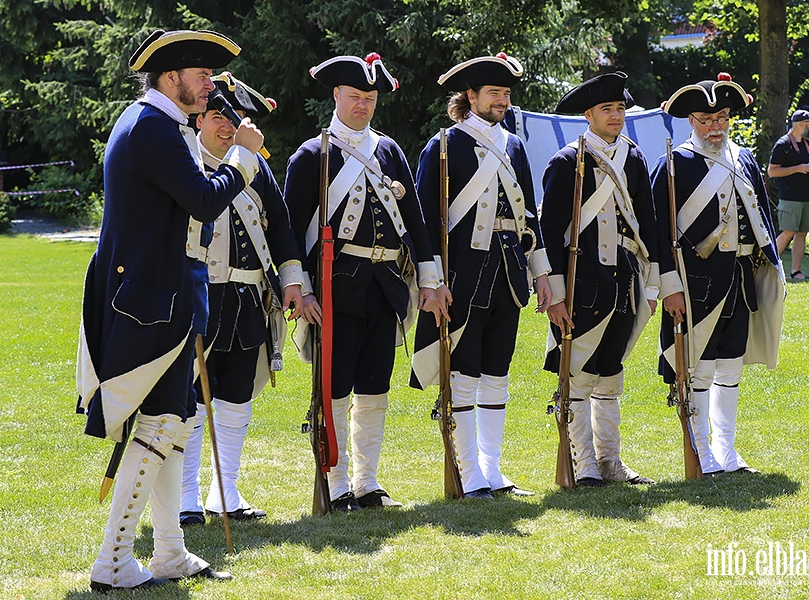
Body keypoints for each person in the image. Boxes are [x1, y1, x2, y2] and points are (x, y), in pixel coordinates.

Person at [76, 29, 265, 591]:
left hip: (166, 295)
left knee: (173, 424)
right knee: (159, 425)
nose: (211, 85)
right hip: (152, 301)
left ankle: (169, 553)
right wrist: (244, 158)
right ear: (169, 79)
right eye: (202, 75)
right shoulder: (152, 128)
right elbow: (205, 200)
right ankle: (113, 561)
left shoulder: (157, 124)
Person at [284, 53, 444, 511]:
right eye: (354, 97)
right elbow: (293, 232)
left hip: (385, 286)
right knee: (333, 389)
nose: (362, 106)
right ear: (336, 95)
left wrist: (429, 281)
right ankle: (334, 484)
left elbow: (414, 222)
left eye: (370, 98)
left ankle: (367, 482)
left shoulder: (389, 151)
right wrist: (302, 288)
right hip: (334, 290)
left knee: (375, 388)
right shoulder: (312, 154)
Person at [410, 53, 553, 499]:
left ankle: (491, 468)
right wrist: (432, 280)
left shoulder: (513, 146)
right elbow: (425, 220)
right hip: (464, 275)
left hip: (509, 271)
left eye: (506, 94)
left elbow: (530, 212)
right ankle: (467, 471)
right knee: (464, 371)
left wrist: (543, 273)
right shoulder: (444, 145)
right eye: (493, 93)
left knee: (497, 371)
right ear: (469, 97)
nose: (502, 102)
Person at [179, 72, 309, 526]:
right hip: (201, 298)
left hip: (250, 298)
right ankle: (186, 496)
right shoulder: (186, 162)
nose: (227, 128)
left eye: (237, 120)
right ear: (200, 120)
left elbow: (281, 227)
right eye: (218, 117)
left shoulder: (258, 166)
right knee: (192, 400)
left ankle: (225, 492)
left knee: (237, 398)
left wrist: (293, 282)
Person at [650, 73, 785, 476]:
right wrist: (669, 286)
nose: (715, 127)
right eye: (706, 120)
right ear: (690, 121)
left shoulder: (742, 159)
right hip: (696, 284)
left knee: (731, 365)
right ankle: (701, 451)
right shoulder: (673, 165)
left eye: (722, 118)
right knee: (699, 367)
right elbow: (658, 233)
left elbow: (763, 211)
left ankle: (727, 452)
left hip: (741, 278)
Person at [539, 72, 658, 486]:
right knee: (578, 373)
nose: (616, 116)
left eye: (621, 108)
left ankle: (610, 462)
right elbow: (549, 232)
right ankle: (583, 463)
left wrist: (655, 283)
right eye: (607, 109)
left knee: (611, 371)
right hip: (581, 282)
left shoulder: (635, 157)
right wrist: (554, 293)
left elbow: (650, 224)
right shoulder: (566, 161)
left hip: (624, 281)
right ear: (588, 115)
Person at [767, 109, 809, 280]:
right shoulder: (783, 144)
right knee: (788, 232)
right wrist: (798, 168)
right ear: (802, 124)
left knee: (801, 233)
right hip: (789, 197)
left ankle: (795, 272)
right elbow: (772, 172)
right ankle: (766, 266)